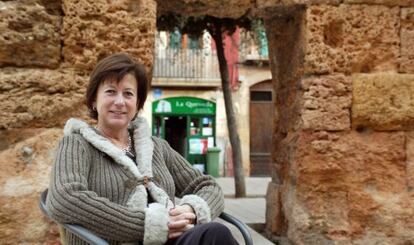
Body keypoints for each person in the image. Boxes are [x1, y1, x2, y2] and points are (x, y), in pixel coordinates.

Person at [46, 53, 238, 245]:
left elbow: (208, 186)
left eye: (128, 94)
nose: (120, 102)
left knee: (214, 234)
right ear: (94, 100)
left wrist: (191, 210)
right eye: (111, 91)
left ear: (137, 104)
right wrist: (150, 225)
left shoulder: (156, 147)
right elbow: (65, 199)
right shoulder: (76, 144)